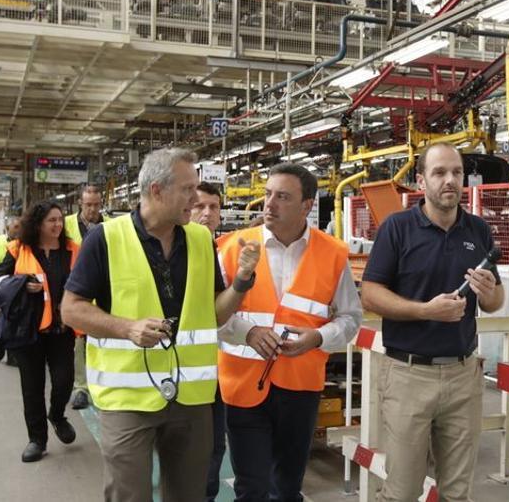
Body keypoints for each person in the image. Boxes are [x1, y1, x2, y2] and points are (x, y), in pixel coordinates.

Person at [62, 148, 258, 502]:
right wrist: (127, 328)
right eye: (187, 189)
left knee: (188, 495)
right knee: (130, 495)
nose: (195, 199)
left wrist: (242, 281)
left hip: (192, 399)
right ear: (157, 190)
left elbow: (214, 314)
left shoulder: (200, 240)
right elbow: (70, 310)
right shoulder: (105, 239)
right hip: (127, 401)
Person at [360, 143, 504, 502]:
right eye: (439, 173)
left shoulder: (478, 230)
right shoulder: (397, 229)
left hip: (462, 375)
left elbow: (495, 300)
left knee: (457, 492)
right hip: (409, 375)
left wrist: (487, 292)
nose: (450, 180)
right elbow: (371, 294)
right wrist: (425, 310)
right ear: (421, 181)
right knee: (402, 491)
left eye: (456, 172)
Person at [217, 163, 363, 502]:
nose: (270, 204)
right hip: (242, 387)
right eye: (268, 195)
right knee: (250, 489)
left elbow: (351, 317)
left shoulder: (332, 253)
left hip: (300, 387)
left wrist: (319, 338)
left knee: (286, 489)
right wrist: (249, 332)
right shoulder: (232, 248)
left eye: (282, 197)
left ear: (307, 205)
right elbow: (213, 316)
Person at [0, 200, 81, 463]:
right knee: (32, 387)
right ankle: (37, 439)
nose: (57, 224)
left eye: (60, 220)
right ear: (38, 223)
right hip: (26, 330)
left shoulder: (73, 250)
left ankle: (57, 415)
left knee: (64, 381)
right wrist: (20, 284)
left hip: (62, 330)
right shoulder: (19, 250)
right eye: (51, 220)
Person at [191, 182, 230, 502]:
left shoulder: (229, 251)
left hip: (224, 368)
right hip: (185, 369)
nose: (206, 214)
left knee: (216, 444)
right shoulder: (174, 255)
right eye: (199, 206)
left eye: (213, 207)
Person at [65, 184, 108, 410]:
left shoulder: (111, 225)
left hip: (104, 293)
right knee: (79, 343)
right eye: (88, 205)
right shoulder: (67, 225)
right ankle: (81, 387)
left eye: (96, 204)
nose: (92, 209)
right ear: (80, 204)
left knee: (103, 339)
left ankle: (103, 383)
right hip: (77, 291)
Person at [0, 218, 23, 363]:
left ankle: (12, 355)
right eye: (15, 227)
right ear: (8, 228)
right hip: (0, 288)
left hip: (17, 290)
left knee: (12, 321)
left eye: (21, 227)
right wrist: (0, 268)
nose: (18, 230)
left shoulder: (25, 245)